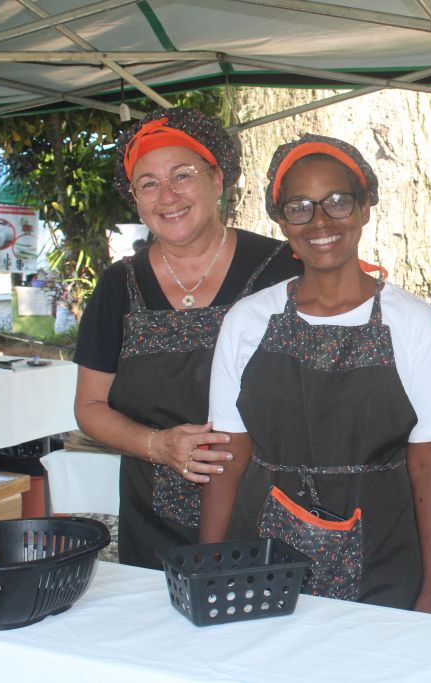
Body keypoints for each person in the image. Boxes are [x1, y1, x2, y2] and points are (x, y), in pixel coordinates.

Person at [201, 134, 431, 613]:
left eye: (337, 202)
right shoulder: (248, 320)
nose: (320, 221)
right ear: (280, 220)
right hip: (262, 554)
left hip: (384, 555)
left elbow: (427, 463)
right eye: (300, 207)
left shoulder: (413, 322)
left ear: (364, 209)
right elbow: (228, 456)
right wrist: (209, 563)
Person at [73, 108, 302, 569]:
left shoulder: (284, 268)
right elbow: (90, 409)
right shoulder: (119, 285)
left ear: (217, 180)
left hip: (272, 515)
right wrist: (158, 446)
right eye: (148, 183)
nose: (167, 196)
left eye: (182, 175)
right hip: (151, 524)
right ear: (135, 197)